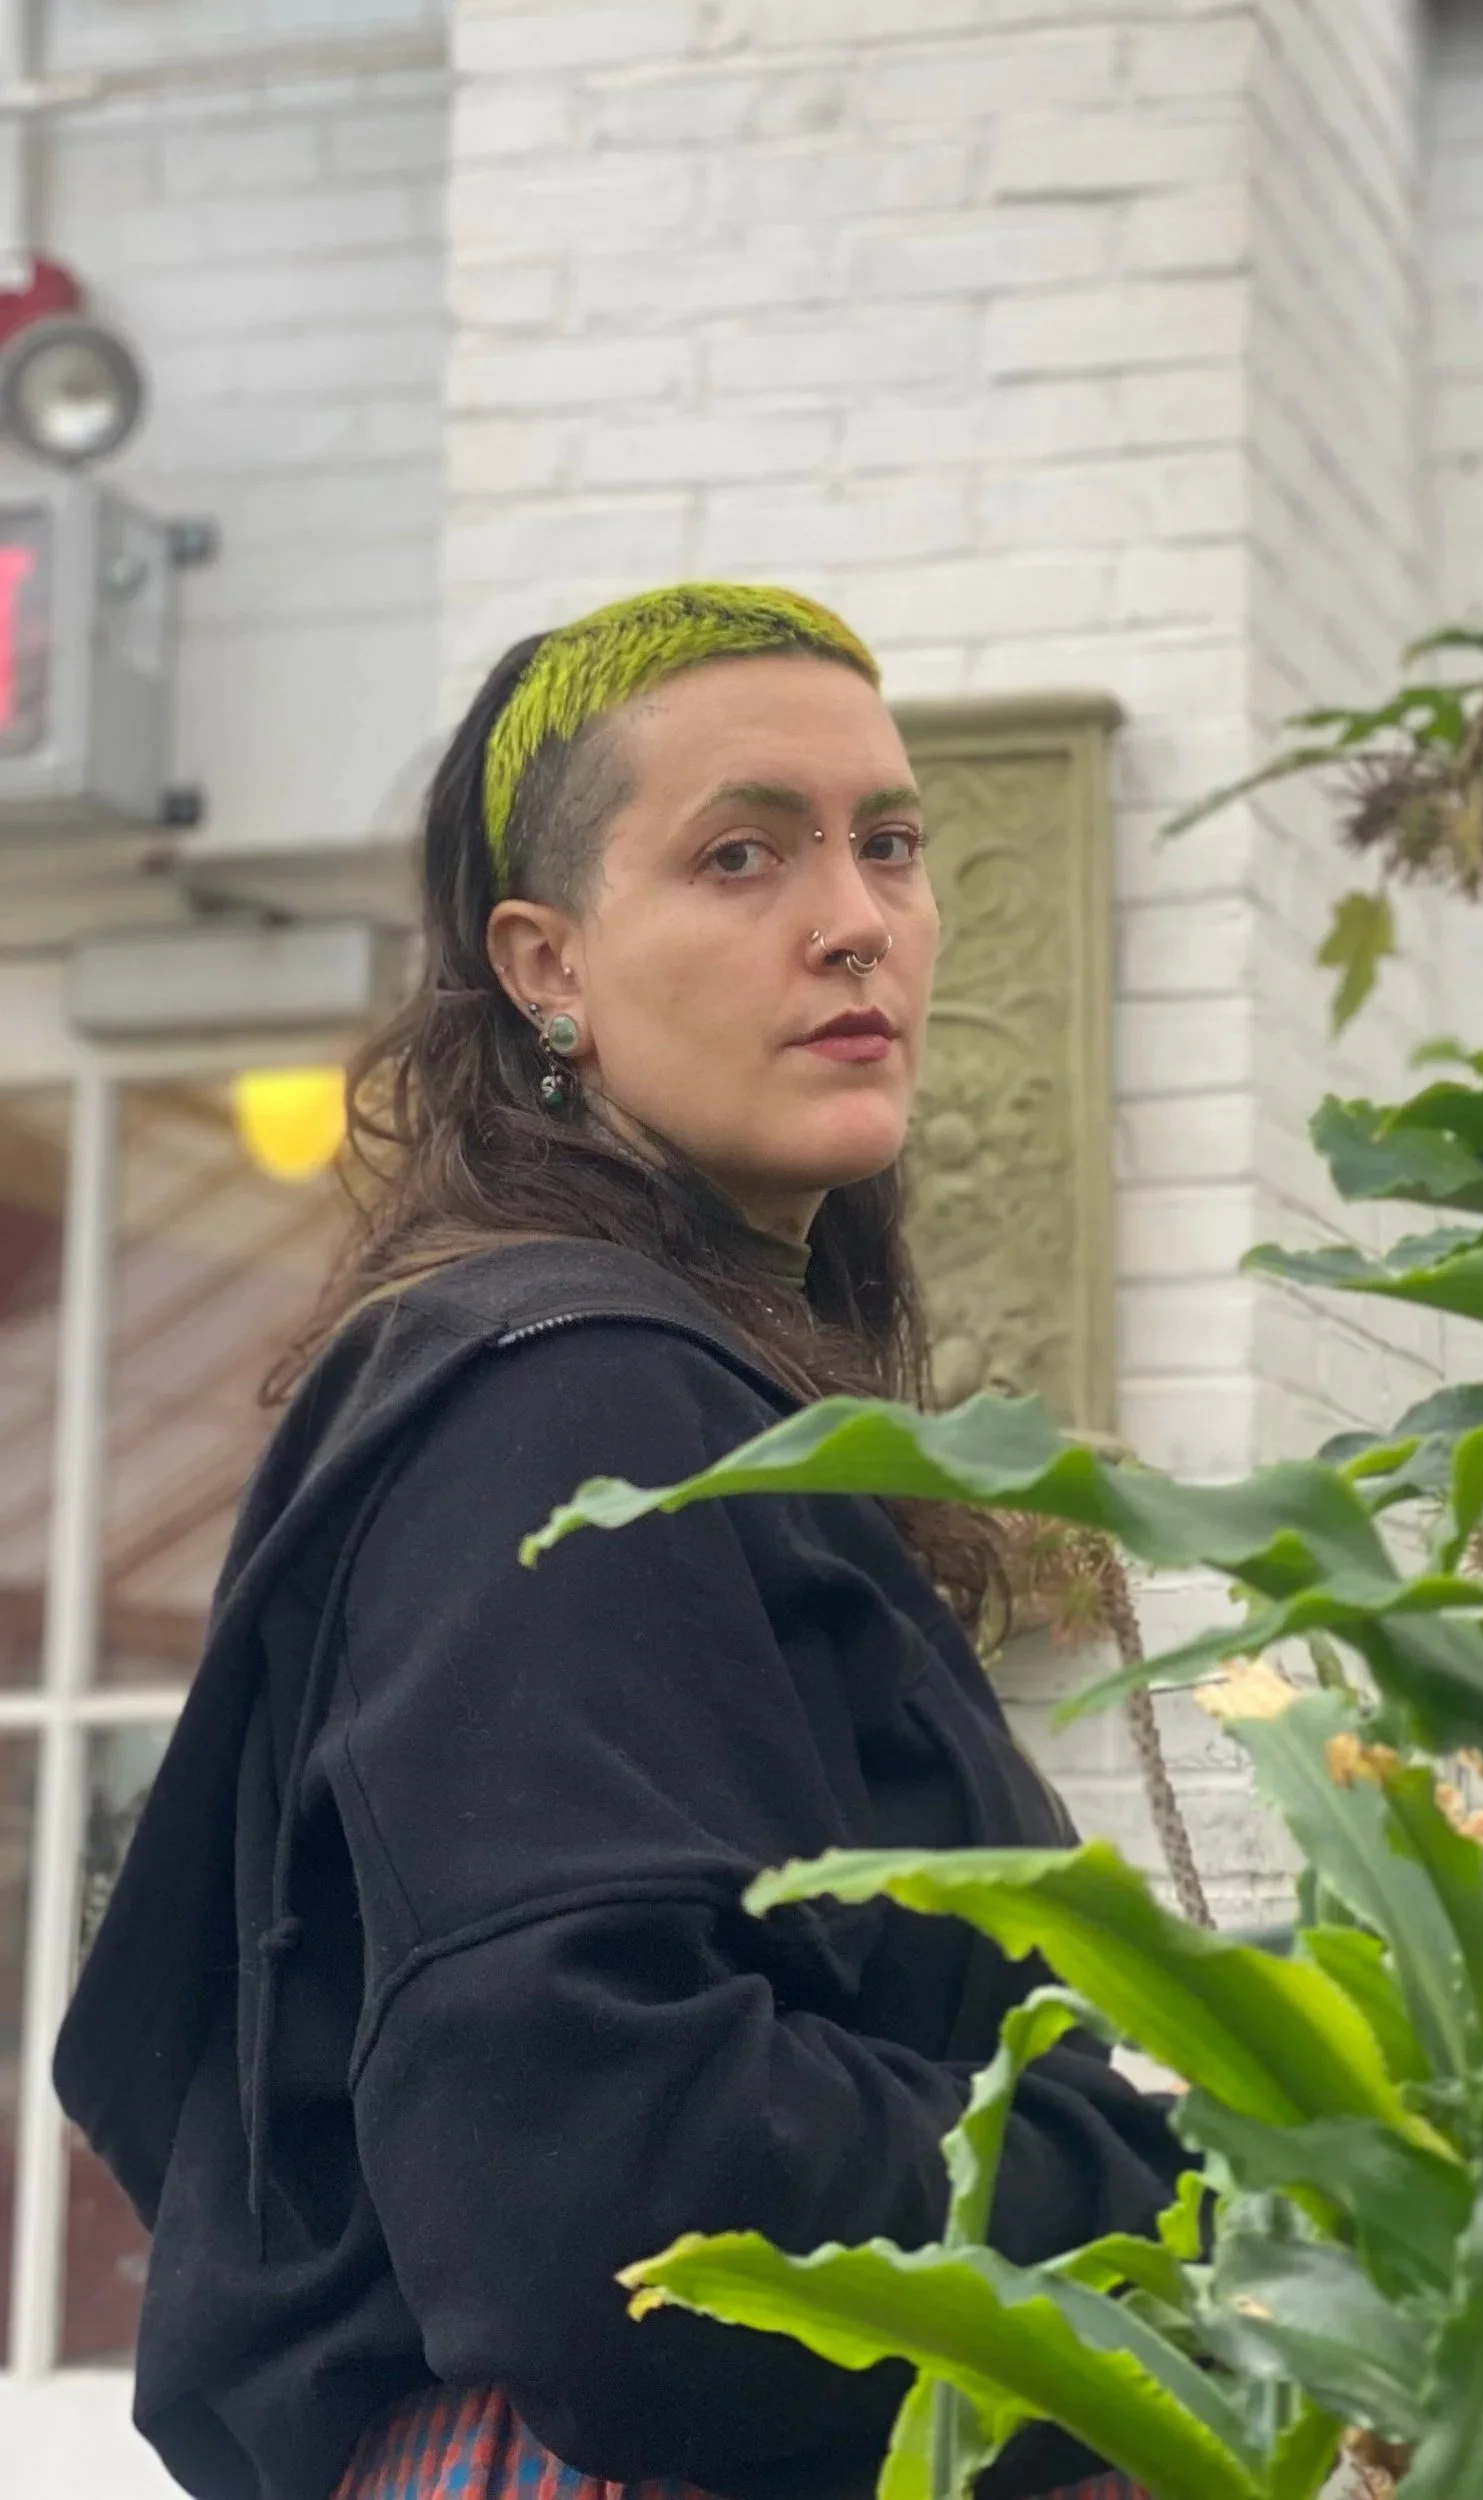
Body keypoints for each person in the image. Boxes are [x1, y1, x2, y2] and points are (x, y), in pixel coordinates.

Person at [56, 585, 1181, 2500]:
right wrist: (1183, 2190)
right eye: (742, 854)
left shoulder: (674, 1399)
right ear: (544, 962)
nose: (856, 919)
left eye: (888, 845)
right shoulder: (568, 1408)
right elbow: (618, 2186)